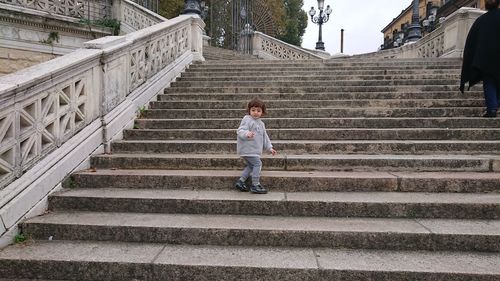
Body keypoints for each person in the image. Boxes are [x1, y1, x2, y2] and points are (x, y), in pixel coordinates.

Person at [460, 0, 500, 117]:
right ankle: (496, 104)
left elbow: (471, 42)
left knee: (489, 81)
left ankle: (492, 108)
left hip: (485, 58)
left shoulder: (480, 21)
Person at [234, 98, 277, 194]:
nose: (255, 112)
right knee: (258, 164)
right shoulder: (247, 119)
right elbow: (240, 131)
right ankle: (255, 184)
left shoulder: (261, 123)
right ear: (249, 111)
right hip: (248, 149)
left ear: (262, 112)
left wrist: (270, 148)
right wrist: (246, 134)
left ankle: (241, 181)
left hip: (254, 151)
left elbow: (265, 137)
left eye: (258, 110)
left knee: (251, 166)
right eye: (253, 110)